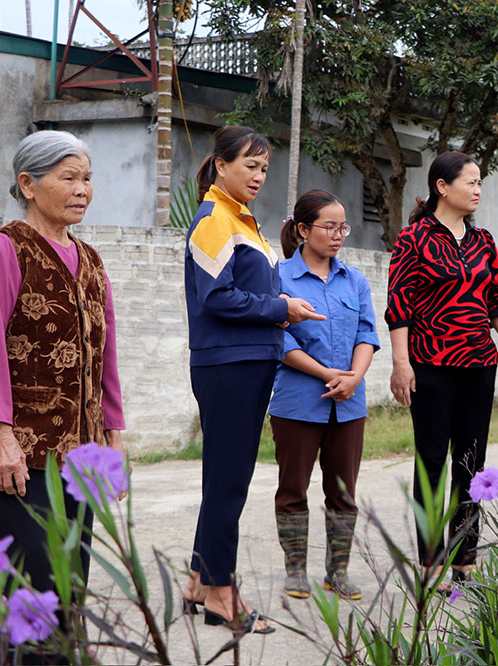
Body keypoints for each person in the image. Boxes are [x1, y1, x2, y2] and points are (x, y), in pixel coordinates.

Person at [0, 130, 126, 599]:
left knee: (69, 582)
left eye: (87, 178)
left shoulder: (90, 260)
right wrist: (0, 438)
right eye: (68, 177)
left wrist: (111, 437)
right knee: (23, 585)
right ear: (28, 184)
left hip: (80, 454)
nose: (82, 189)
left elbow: (102, 354)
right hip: (19, 454)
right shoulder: (3, 250)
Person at [182, 126, 324, 634]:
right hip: (228, 365)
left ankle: (200, 579)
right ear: (221, 165)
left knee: (223, 478)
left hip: (244, 362)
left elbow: (242, 296)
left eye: (265, 169)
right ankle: (222, 595)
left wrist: (280, 313)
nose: (260, 177)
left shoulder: (240, 220)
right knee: (229, 483)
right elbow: (215, 298)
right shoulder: (214, 219)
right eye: (250, 166)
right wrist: (280, 307)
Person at [386, 151, 498, 591]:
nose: (477, 190)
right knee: (432, 462)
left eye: (479, 183)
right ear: (442, 186)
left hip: (478, 365)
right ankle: (431, 558)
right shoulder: (413, 239)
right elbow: (399, 306)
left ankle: (464, 554)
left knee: (471, 462)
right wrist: (401, 364)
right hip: (430, 364)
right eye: (470, 182)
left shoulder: (483, 240)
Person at [269, 190, 379, 601]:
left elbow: (367, 333)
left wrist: (354, 377)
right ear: (302, 230)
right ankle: (295, 570)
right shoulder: (279, 278)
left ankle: (339, 571)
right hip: (298, 401)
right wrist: (326, 373)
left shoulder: (355, 280)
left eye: (342, 227)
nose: (337, 235)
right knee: (293, 487)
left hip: (349, 404)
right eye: (328, 226)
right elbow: (278, 340)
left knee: (343, 492)